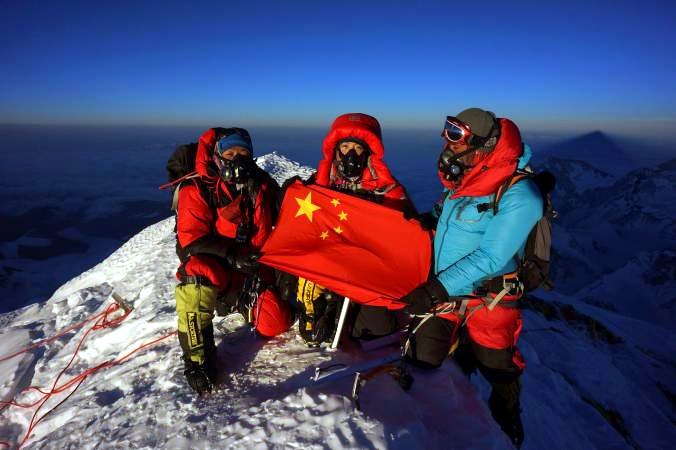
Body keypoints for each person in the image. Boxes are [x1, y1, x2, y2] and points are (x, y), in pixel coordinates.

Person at [400, 108, 543, 448]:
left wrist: (435, 289)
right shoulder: (466, 178)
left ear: (485, 145)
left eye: (455, 137)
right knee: (421, 360)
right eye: (447, 133)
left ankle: (507, 410)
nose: (446, 145)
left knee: (497, 364)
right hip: (447, 291)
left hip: (490, 298)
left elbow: (491, 257)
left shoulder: (521, 196)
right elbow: (442, 219)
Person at [173, 127, 292, 395]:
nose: (236, 158)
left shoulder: (261, 185)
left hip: (254, 270)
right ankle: (197, 358)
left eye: (243, 153)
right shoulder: (198, 188)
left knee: (276, 324)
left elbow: (282, 217)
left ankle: (247, 304)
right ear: (217, 155)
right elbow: (191, 242)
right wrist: (232, 256)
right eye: (230, 152)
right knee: (197, 271)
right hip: (220, 272)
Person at [294, 113, 413, 347]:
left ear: (368, 152)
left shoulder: (385, 187)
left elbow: (405, 226)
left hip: (367, 264)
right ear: (335, 150)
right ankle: (318, 306)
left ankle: (342, 306)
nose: (350, 154)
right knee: (313, 331)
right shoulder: (319, 183)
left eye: (357, 148)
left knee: (377, 328)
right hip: (326, 258)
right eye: (345, 146)